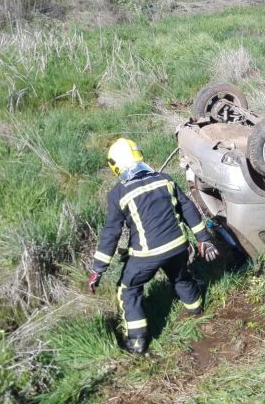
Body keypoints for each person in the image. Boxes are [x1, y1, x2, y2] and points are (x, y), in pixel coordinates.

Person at [87, 137, 219, 355]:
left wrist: (98, 269)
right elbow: (188, 209)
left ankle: (137, 341)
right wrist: (203, 238)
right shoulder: (164, 180)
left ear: (115, 166)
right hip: (178, 246)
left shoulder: (118, 194)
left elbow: (111, 233)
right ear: (139, 157)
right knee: (180, 276)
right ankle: (196, 309)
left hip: (146, 255)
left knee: (129, 289)